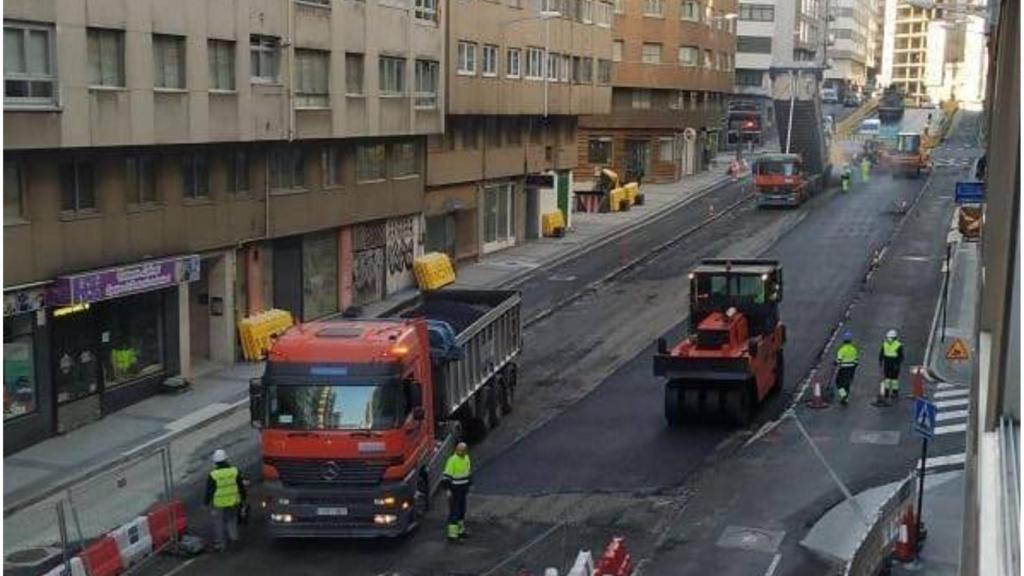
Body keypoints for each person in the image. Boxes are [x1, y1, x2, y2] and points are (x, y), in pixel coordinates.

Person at [204, 448, 246, 552]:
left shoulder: (213, 475)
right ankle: (234, 539)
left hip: (219, 503)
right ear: (226, 459)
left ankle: (221, 545)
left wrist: (205, 503)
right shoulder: (234, 471)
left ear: (215, 462)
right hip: (233, 501)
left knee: (218, 523)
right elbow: (241, 486)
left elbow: (210, 490)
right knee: (231, 521)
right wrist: (243, 498)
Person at [442, 442, 472, 542]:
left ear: (465, 451)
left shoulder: (466, 458)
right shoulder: (452, 460)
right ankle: (453, 536)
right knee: (454, 512)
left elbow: (468, 472)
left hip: (462, 491)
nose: (460, 452)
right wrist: (447, 490)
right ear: (456, 450)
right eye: (459, 450)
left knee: (462, 511)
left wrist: (470, 484)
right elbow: (446, 477)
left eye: (462, 450)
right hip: (454, 491)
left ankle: (461, 531)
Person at [878, 329, 905, 402]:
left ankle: (886, 392)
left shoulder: (885, 344)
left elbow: (881, 354)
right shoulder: (898, 345)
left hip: (886, 363)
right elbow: (901, 356)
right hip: (895, 364)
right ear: (895, 337)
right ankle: (894, 392)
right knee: (894, 379)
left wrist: (880, 362)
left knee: (887, 378)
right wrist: (898, 364)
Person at [834, 331, 860, 405]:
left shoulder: (842, 350)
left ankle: (843, 396)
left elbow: (839, 360)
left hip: (843, 369)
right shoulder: (853, 349)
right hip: (851, 369)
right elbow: (856, 361)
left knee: (838, 382)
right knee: (847, 383)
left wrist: (835, 363)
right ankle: (846, 397)